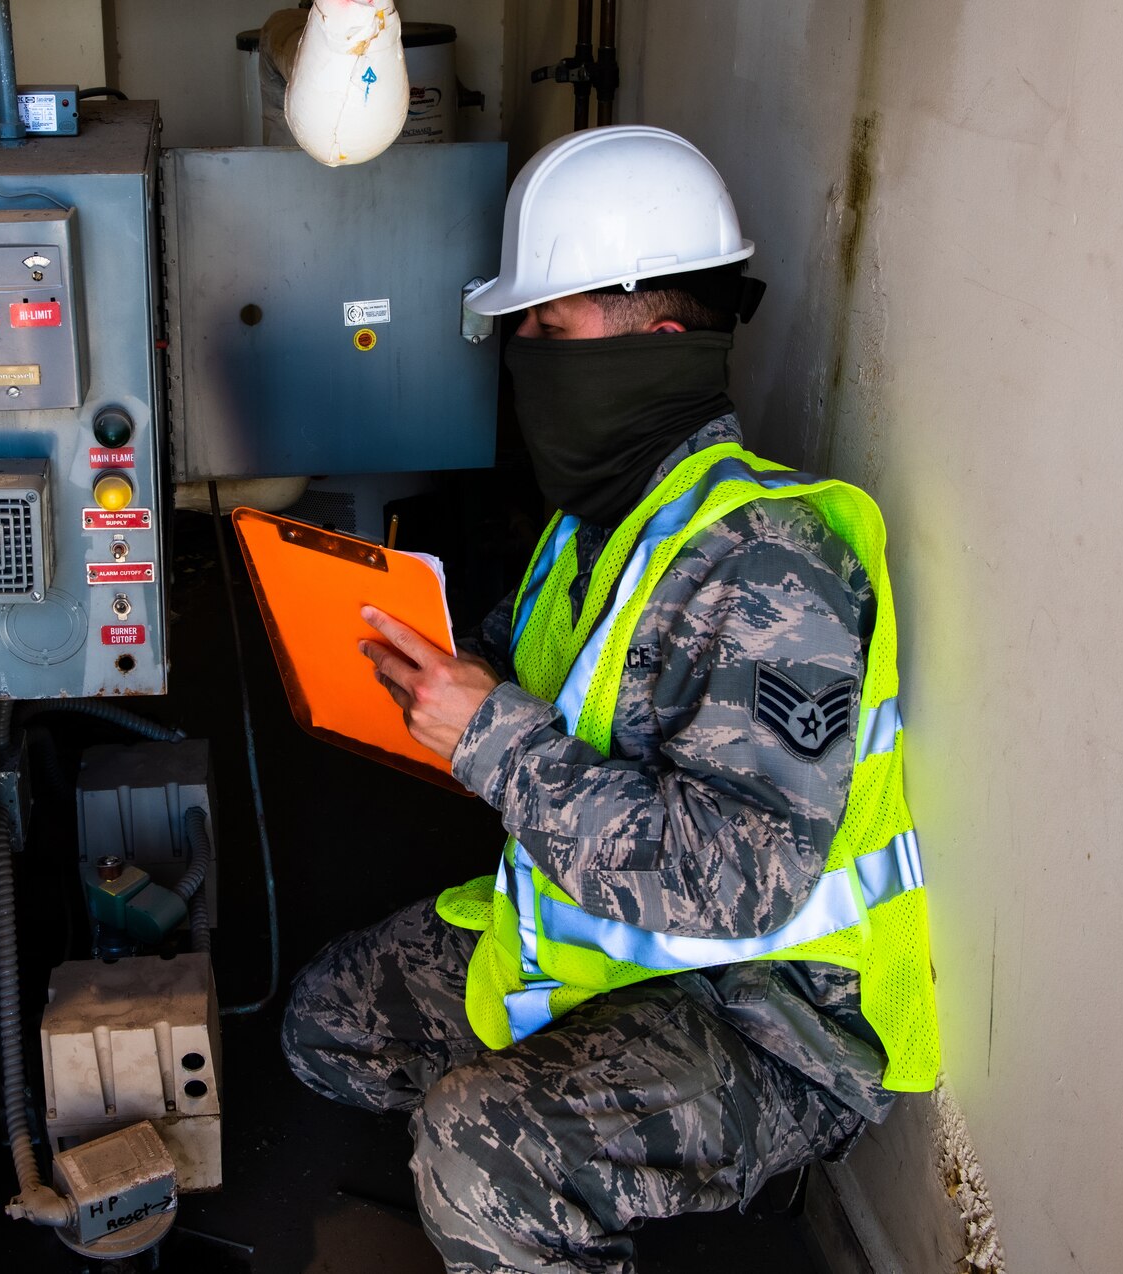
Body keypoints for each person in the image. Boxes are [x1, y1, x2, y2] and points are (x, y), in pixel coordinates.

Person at [279, 126, 940, 1274]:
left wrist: (488, 738)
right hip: (605, 945)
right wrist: (414, 667)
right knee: (327, 1023)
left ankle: (556, 1184)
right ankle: (571, 1154)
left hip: (765, 1012)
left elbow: (735, 883)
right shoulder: (601, 531)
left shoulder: (764, 561)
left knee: (477, 1151)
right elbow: (534, 674)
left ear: (661, 337)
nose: (523, 359)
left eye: (547, 330)